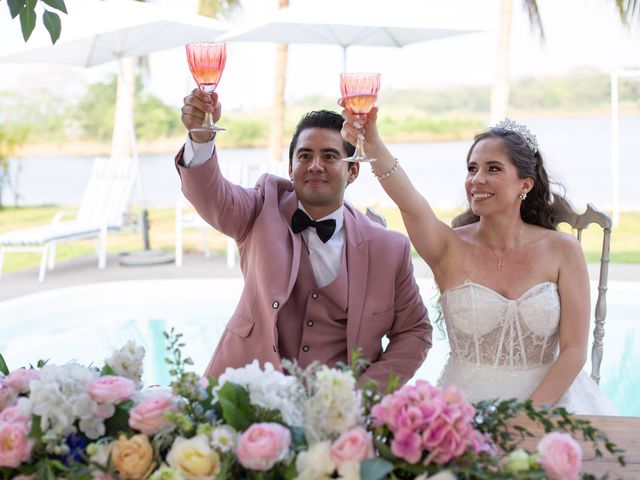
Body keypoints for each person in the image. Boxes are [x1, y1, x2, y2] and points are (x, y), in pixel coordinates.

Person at [341, 109, 616, 414]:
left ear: (525, 184)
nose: (477, 180)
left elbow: (575, 351)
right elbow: (409, 202)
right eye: (472, 169)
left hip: (553, 401)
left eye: (493, 169)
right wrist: (373, 141)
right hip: (464, 406)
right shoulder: (448, 247)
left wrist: (527, 416)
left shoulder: (563, 249)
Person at [175, 89, 432, 388]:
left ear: (353, 171)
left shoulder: (389, 249)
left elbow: (414, 332)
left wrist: (362, 396)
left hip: (337, 411)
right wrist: (200, 137)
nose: (315, 165)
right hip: (247, 391)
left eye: (330, 156)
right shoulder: (260, 207)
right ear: (290, 167)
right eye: (305, 156)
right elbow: (210, 195)